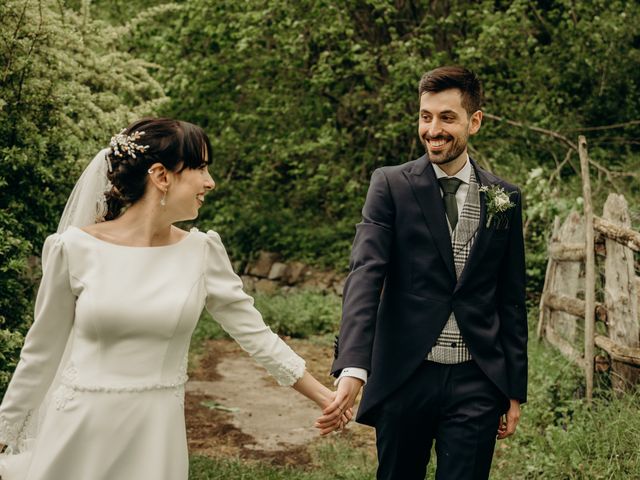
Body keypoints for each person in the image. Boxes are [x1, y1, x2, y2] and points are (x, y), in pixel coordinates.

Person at [0, 118, 348, 480]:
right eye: (200, 167)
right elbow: (40, 354)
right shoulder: (73, 249)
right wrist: (3, 434)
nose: (210, 182)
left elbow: (256, 336)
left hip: (154, 441)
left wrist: (324, 396)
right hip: (77, 433)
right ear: (161, 176)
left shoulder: (201, 252)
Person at [323, 66, 528, 479]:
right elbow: (365, 275)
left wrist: (513, 389)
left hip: (477, 379)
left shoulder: (504, 197)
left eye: (446, 117)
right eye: (425, 116)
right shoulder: (391, 185)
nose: (433, 129)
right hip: (405, 375)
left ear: (475, 121)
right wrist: (353, 367)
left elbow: (510, 295)